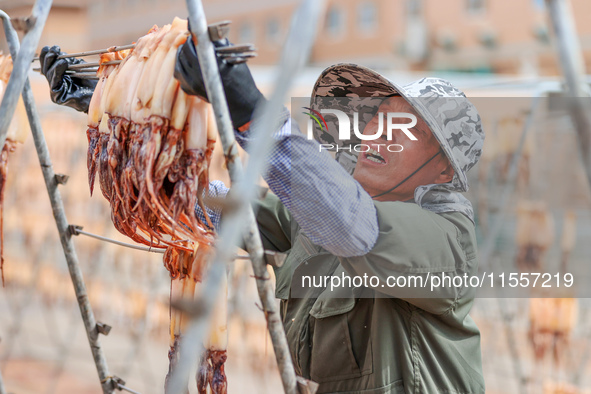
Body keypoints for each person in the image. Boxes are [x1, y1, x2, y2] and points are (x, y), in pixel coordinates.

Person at [40, 28, 485, 393]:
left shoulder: (449, 242)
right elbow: (216, 207)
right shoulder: (313, 214)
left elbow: (355, 229)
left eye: (407, 127)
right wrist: (119, 112)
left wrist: (255, 115)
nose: (380, 133)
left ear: (443, 169)